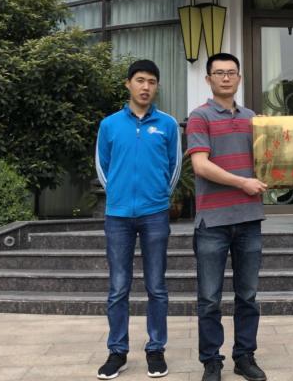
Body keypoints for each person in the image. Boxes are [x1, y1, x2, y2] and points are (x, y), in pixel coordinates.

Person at [95, 59, 181, 379]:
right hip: (118, 216)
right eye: (140, 80)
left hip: (155, 214)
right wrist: (117, 195)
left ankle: (155, 349)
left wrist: (159, 197)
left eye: (152, 82)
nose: (146, 87)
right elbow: (102, 165)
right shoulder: (109, 124)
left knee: (156, 286)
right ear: (128, 84)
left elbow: (174, 167)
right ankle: (117, 351)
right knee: (118, 287)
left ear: (157, 87)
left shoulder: (168, 125)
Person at [186, 53, 268, 381]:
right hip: (212, 222)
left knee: (248, 296)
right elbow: (200, 165)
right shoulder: (199, 117)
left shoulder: (253, 119)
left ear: (239, 78)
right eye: (219, 73)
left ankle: (244, 357)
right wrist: (242, 183)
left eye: (231, 72)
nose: (225, 78)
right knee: (209, 298)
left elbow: (268, 161)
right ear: (208, 79)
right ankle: (211, 361)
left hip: (249, 218)